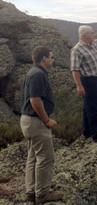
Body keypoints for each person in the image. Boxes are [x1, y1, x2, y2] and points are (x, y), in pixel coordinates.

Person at [20, 46, 63, 203]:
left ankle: (31, 191)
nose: (53, 59)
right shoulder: (38, 74)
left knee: (33, 156)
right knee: (46, 158)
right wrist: (46, 120)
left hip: (28, 120)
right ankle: (42, 193)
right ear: (44, 58)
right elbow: (35, 100)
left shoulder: (35, 72)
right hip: (36, 121)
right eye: (51, 57)